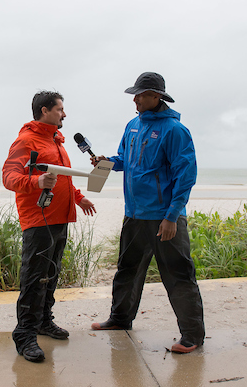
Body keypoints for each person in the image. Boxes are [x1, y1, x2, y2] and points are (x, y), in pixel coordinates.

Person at [90, 72, 205, 354]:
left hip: (165, 217)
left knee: (178, 275)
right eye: (135, 94)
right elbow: (125, 160)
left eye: (140, 94)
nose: (135, 99)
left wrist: (172, 216)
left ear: (157, 96)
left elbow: (186, 176)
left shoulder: (175, 131)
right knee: (127, 270)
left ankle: (192, 335)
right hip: (135, 214)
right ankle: (120, 319)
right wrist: (108, 162)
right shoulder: (132, 125)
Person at [2, 90, 96, 362]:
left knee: (51, 275)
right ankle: (25, 336)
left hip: (60, 219)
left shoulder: (56, 141)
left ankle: (44, 322)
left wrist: (79, 198)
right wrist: (36, 182)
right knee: (34, 279)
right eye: (59, 109)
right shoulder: (26, 140)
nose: (64, 114)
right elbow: (9, 177)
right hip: (38, 221)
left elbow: (62, 178)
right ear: (45, 110)